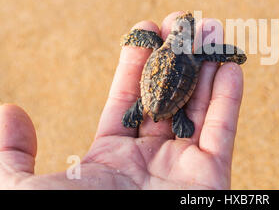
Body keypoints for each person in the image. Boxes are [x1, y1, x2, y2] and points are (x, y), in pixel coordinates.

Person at [0, 12, 244, 189]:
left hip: (149, 98)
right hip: (176, 99)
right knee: (197, 85)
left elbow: (144, 38)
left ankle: (143, 108)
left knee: (149, 95)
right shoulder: (194, 56)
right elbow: (214, 52)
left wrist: (131, 37)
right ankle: (174, 116)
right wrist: (234, 54)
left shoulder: (158, 45)